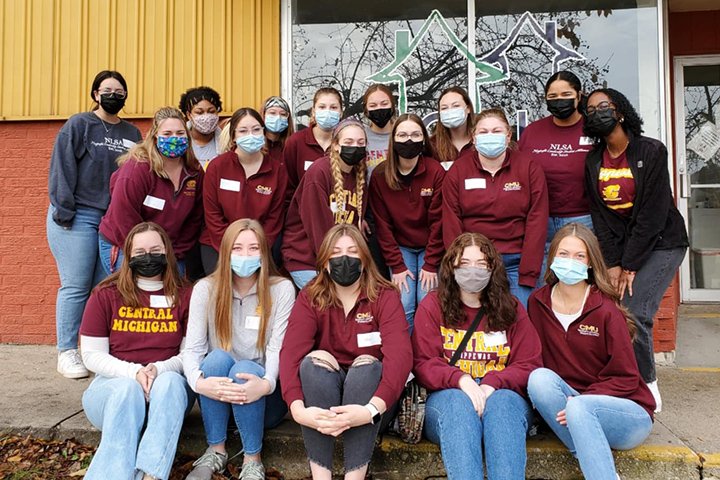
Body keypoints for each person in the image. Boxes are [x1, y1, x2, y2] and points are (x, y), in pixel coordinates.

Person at [583, 88, 688, 411]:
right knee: (612, 311)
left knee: (635, 312)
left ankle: (647, 386)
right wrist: (613, 263)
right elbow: (600, 216)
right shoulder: (593, 160)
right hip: (623, 249)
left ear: (621, 111)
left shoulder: (651, 151)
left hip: (662, 242)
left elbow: (653, 214)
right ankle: (620, 380)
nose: (597, 112)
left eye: (604, 106)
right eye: (590, 109)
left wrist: (630, 265)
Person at [279, 224, 412, 480]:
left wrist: (371, 409)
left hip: (373, 405)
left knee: (367, 364)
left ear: (364, 259)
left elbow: (400, 356)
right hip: (325, 401)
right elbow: (290, 354)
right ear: (325, 262)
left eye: (352, 252)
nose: (344, 259)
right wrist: (297, 409)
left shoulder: (384, 295)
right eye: (336, 253)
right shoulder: (311, 296)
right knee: (313, 363)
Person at [527, 223, 656, 480]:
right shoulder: (537, 303)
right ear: (552, 258)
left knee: (579, 409)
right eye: (563, 254)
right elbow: (532, 361)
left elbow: (627, 378)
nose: (570, 261)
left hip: (624, 413)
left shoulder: (605, 309)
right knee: (538, 379)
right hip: (570, 410)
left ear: (589, 263)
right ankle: (589, 454)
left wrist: (582, 402)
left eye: (579, 256)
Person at [412, 232, 542, 479]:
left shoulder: (512, 308)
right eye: (464, 264)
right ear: (451, 267)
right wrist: (462, 380)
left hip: (503, 398)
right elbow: (423, 362)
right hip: (447, 401)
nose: (473, 271)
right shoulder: (432, 306)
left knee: (502, 405)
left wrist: (492, 384)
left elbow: (530, 363)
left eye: (481, 264)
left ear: (493, 268)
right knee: (457, 405)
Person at [183, 219, 295, 480]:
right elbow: (193, 348)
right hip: (217, 399)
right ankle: (216, 450)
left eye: (253, 248)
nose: (246, 256)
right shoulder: (205, 289)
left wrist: (266, 384)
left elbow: (278, 347)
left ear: (264, 253)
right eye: (237, 249)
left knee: (244, 369)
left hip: (264, 400)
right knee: (215, 360)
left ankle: (252, 459)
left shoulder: (281, 289)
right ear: (225, 252)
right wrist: (198, 383)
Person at [47, 70, 142, 379]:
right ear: (95, 94)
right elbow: (61, 167)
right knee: (75, 285)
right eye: (107, 89)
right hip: (77, 216)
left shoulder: (133, 133)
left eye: (120, 90)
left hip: (113, 220)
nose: (114, 94)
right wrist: (64, 211)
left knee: (105, 287)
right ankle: (67, 351)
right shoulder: (79, 124)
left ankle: (96, 350)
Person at [79, 222, 192, 480]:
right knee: (127, 389)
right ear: (128, 256)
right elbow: (91, 355)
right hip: (112, 392)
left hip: (165, 396)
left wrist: (157, 369)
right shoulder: (106, 294)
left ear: (167, 252)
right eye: (140, 252)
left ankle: (151, 475)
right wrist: (134, 373)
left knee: (173, 382)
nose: (148, 257)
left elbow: (191, 354)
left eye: (155, 249)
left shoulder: (186, 294)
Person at [442, 108, 549, 308]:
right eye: (483, 132)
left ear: (508, 136)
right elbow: (451, 220)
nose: (490, 136)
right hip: (474, 261)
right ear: (473, 137)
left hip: (517, 261)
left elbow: (537, 219)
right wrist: (459, 265)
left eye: (496, 131)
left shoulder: (529, 167)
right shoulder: (459, 170)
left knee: (520, 317)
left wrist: (528, 273)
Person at [98, 107, 204, 278]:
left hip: (171, 249)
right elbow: (123, 217)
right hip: (125, 243)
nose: (174, 139)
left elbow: (195, 218)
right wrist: (146, 253)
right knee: (136, 297)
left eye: (180, 133)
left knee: (170, 299)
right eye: (167, 134)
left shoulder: (195, 173)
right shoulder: (137, 170)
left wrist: (173, 252)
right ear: (155, 137)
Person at [369, 113, 445, 330]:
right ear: (393, 140)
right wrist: (397, 265)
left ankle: (426, 356)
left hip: (431, 247)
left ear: (423, 140)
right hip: (401, 248)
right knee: (403, 303)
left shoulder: (435, 171)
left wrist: (431, 263)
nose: (408, 140)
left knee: (427, 301)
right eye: (402, 135)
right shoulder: (380, 175)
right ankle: (405, 358)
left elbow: (439, 222)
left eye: (415, 134)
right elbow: (382, 226)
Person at [517, 71, 594, 279]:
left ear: (578, 96)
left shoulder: (593, 130)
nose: (559, 101)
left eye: (566, 95)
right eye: (552, 97)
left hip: (584, 218)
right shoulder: (532, 132)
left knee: (581, 279)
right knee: (545, 280)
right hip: (542, 220)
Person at [200, 108, 289, 274]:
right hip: (218, 244)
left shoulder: (277, 171)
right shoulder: (217, 167)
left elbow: (274, 219)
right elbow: (212, 215)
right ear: (234, 136)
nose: (251, 135)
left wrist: (255, 248)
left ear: (263, 133)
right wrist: (233, 248)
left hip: (259, 246)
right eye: (243, 131)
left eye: (256, 130)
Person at [282, 118, 368, 289]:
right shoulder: (319, 172)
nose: (355, 147)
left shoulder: (360, 174)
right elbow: (317, 226)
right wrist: (331, 266)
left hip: (341, 258)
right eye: (349, 142)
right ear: (335, 145)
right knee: (328, 303)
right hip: (307, 259)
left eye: (361, 142)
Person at [284, 87, 343, 189]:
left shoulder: (346, 143)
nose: (327, 112)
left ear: (341, 112)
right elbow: (288, 186)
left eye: (333, 107)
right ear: (313, 111)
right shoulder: (296, 142)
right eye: (322, 107)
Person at [430, 86, 475, 171]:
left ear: (468, 108)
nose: (450, 111)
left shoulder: (481, 143)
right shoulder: (433, 146)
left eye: (456, 106)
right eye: (444, 108)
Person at [179, 86, 223, 170]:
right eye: (199, 112)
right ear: (189, 115)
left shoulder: (227, 143)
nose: (206, 116)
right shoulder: (179, 141)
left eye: (211, 111)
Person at [362, 84, 396, 176]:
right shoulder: (360, 137)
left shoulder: (402, 135)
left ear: (392, 106)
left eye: (384, 104)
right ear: (366, 110)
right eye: (373, 105)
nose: (379, 108)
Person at [260, 96, 295, 166]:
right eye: (272, 113)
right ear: (263, 115)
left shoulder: (292, 147)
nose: (278, 117)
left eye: (283, 114)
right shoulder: (255, 146)